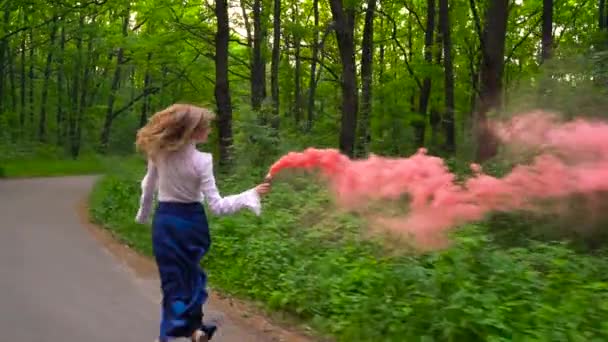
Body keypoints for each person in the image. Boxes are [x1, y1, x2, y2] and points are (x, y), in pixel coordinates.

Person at [134, 104, 271, 342]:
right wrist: (250, 194)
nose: (209, 128)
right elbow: (217, 206)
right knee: (191, 276)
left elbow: (148, 188)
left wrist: (143, 216)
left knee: (172, 280)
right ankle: (193, 330)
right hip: (193, 224)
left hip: (166, 222)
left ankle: (172, 333)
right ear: (191, 131)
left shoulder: (158, 153)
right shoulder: (203, 161)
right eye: (204, 125)